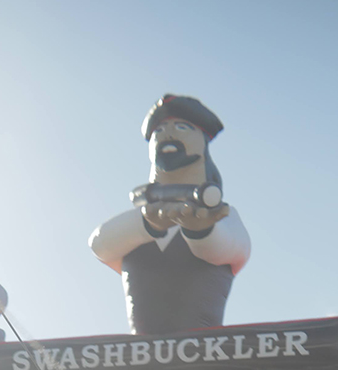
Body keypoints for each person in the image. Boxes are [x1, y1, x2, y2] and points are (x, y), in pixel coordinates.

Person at [89, 94, 250, 334]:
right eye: (159, 130)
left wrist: (202, 231)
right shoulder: (135, 221)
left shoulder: (222, 216)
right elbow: (99, 244)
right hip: (141, 353)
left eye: (182, 127)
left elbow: (234, 248)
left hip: (203, 352)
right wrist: (147, 223)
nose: (168, 134)